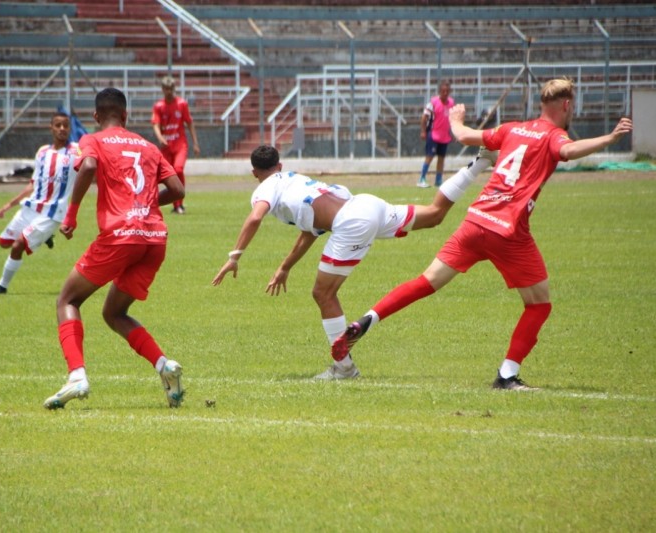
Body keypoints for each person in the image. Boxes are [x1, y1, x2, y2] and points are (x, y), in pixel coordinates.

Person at [332, 78, 633, 390]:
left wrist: (454, 118)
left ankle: (367, 319)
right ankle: (506, 376)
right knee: (539, 304)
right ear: (567, 105)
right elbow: (568, 151)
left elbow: (463, 135)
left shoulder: (511, 129)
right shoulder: (555, 136)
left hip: (475, 221)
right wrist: (609, 138)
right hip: (508, 231)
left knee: (426, 281)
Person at [211, 144, 489, 380]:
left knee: (323, 293)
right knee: (434, 214)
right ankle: (480, 162)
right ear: (280, 164)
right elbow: (309, 232)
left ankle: (343, 368)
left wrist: (234, 256)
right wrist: (285, 267)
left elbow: (256, 216)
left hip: (352, 222)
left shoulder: (266, 186)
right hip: (366, 204)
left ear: (254, 173)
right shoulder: (293, 178)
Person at [43, 87, 186, 410]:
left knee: (68, 299)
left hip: (121, 235)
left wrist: (71, 214)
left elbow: (89, 167)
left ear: (96, 117)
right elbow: (178, 189)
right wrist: (147, 203)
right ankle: (165, 366)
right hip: (154, 238)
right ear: (126, 115)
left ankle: (77, 374)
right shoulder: (148, 146)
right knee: (114, 312)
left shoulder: (92, 140)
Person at [0, 112, 79, 295]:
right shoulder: (42, 152)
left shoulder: (76, 151)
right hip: (31, 207)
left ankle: (2, 286)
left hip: (52, 213)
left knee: (17, 245)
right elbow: (33, 184)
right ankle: (46, 237)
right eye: (58, 125)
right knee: (4, 242)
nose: (62, 129)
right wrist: (9, 205)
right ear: (51, 128)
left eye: (66, 125)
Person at [151, 75, 200, 215]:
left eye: (171, 88)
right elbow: (156, 124)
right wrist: (160, 137)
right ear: (162, 89)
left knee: (178, 170)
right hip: (166, 146)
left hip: (180, 144)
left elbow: (189, 123)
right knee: (164, 175)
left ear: (174, 89)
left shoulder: (182, 104)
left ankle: (179, 204)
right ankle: (164, 204)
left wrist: (195, 143)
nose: (168, 91)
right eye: (166, 89)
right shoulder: (159, 106)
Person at [417, 80, 454, 188]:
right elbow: (424, 117)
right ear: (439, 91)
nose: (445, 93)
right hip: (433, 135)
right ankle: (422, 178)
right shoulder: (433, 103)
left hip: (444, 136)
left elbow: (451, 119)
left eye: (447, 91)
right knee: (429, 157)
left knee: (441, 158)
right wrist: (423, 131)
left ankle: (438, 180)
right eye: (443, 91)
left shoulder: (451, 103)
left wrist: (453, 132)